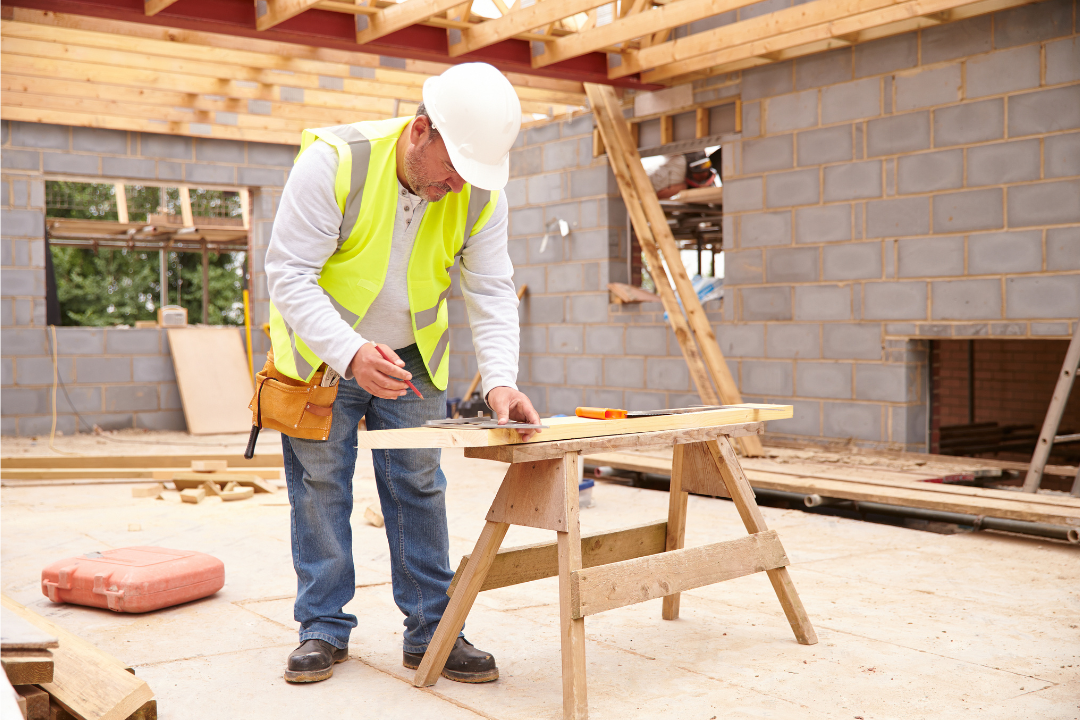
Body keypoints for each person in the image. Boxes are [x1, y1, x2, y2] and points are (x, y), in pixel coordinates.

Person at [264, 62, 540, 685]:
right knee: (320, 487)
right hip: (322, 357)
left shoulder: (478, 188)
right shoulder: (336, 162)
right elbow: (288, 274)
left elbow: (492, 288)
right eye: (450, 171)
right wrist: (350, 351)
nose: (455, 186)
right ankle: (322, 629)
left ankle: (432, 632)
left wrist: (499, 380)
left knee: (419, 485)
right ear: (421, 131)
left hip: (413, 355)